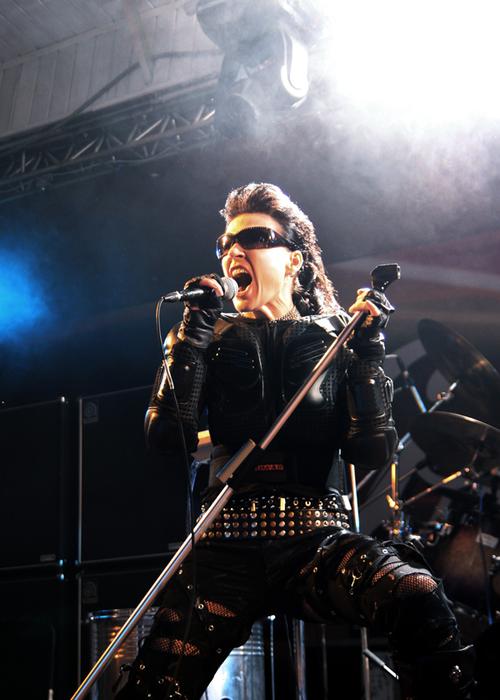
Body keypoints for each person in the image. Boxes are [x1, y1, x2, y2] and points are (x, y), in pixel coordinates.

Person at [117, 183, 474, 700]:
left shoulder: (340, 336)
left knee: (416, 593)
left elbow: (371, 451)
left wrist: (368, 354)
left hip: (316, 545)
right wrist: (189, 339)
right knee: (155, 686)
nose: (233, 251)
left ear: (294, 261)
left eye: (254, 238)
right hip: (225, 550)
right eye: (224, 244)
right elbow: (166, 437)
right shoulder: (206, 337)